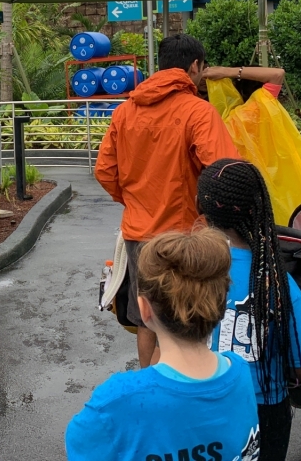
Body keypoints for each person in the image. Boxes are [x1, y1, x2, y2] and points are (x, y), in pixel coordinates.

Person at [95, 34, 237, 366]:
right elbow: (224, 171)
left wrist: (133, 200)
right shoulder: (199, 112)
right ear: (195, 66)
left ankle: (150, 382)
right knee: (188, 315)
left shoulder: (125, 112)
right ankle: (186, 386)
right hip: (185, 235)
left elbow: (104, 170)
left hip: (137, 233)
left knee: (148, 314)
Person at [65, 229, 261, 461]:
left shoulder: (115, 402)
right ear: (220, 305)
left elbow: (81, 445)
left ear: (144, 309)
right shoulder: (239, 373)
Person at [197, 159, 301, 461]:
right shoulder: (278, 282)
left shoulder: (191, 271)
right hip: (263, 412)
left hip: (197, 403)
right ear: (259, 208)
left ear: (201, 208)